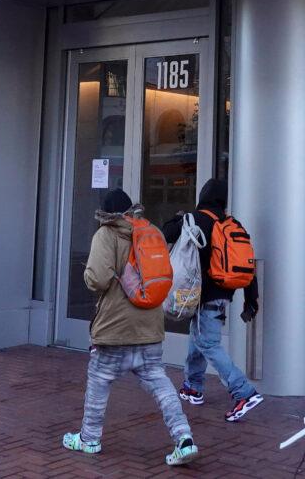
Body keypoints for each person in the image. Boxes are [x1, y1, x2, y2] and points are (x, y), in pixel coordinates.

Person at [61, 189, 199, 467]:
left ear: (105, 214)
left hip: (115, 328)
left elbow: (97, 280)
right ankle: (184, 438)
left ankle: (89, 439)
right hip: (149, 328)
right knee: (161, 385)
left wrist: (88, 273)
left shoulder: (106, 234)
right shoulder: (151, 232)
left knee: (98, 383)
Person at [162, 178, 264, 422]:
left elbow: (166, 232)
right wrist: (251, 299)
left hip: (202, 295)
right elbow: (247, 264)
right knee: (198, 336)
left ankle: (243, 392)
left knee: (208, 343)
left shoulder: (196, 219)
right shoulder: (232, 223)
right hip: (223, 296)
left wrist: (179, 218)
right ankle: (193, 386)